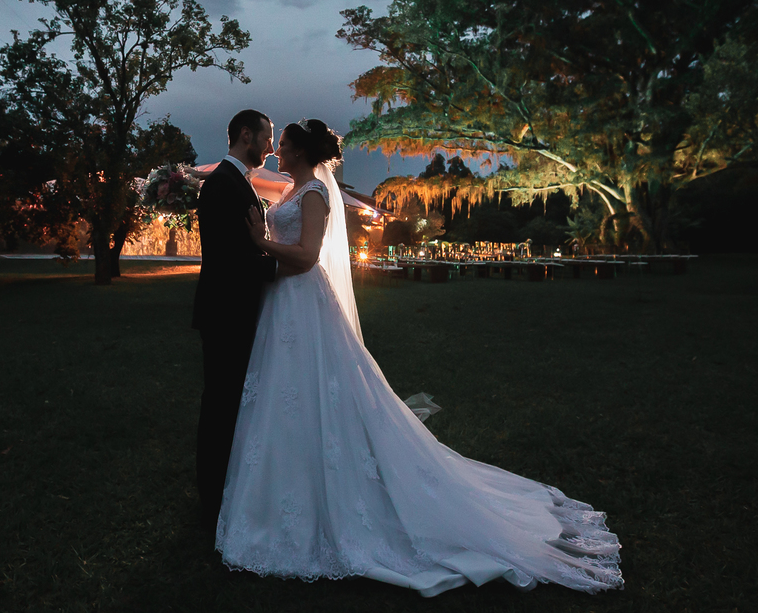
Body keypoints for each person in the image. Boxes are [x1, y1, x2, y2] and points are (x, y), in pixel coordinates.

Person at [215, 118, 624, 597]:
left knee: (319, 393)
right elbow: (260, 194)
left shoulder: (315, 196)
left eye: (281, 144)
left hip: (303, 303)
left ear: (301, 151)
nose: (276, 150)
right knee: (286, 402)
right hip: (282, 308)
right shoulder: (291, 190)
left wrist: (258, 240)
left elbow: (305, 257)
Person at [192, 109, 282, 528]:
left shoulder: (237, 182)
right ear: (245, 134)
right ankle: (212, 498)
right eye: (266, 137)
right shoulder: (222, 185)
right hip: (227, 313)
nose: (271, 147)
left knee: (230, 404)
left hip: (235, 312)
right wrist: (282, 268)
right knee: (221, 405)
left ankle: (224, 488)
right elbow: (231, 260)